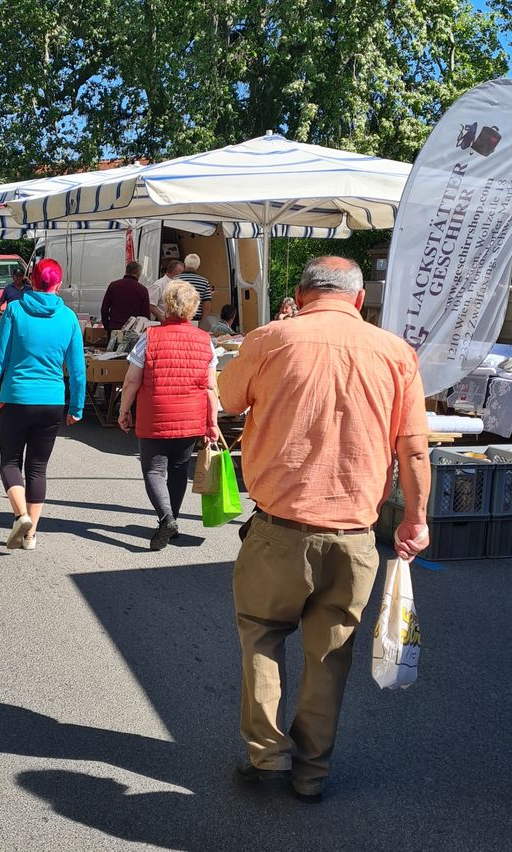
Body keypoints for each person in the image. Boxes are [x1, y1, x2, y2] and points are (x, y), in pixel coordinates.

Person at [218, 256, 430, 803]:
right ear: (359, 300)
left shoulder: (271, 338)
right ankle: (310, 773)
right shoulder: (395, 354)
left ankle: (267, 755)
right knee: (330, 656)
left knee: (262, 636)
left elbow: (227, 399)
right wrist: (415, 519)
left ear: (303, 293)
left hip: (278, 528)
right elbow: (413, 449)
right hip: (355, 535)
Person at [0, 258, 86, 551]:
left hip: (16, 398)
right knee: (38, 468)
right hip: (52, 401)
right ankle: (31, 535)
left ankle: (21, 516)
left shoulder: (15, 311)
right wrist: (77, 407)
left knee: (9, 461)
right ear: (58, 283)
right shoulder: (69, 318)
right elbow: (77, 368)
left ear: (31, 280)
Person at [118, 280, 220, 550]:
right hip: (191, 417)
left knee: (154, 469)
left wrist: (124, 410)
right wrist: (213, 423)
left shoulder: (149, 337)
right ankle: (171, 521)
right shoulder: (205, 341)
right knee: (177, 470)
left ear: (165, 306)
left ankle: (166, 519)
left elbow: (131, 381)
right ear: (193, 309)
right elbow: (211, 387)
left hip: (155, 415)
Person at [100, 261, 150, 332]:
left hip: (115, 327)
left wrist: (107, 326)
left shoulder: (113, 286)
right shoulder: (143, 290)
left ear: (126, 271)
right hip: (133, 330)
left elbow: (104, 309)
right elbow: (146, 315)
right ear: (138, 273)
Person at [176, 254, 213, 324]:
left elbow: (169, 301)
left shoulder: (175, 280)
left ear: (185, 264)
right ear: (198, 266)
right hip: (196, 321)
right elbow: (207, 307)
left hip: (178, 321)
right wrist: (202, 322)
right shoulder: (204, 282)